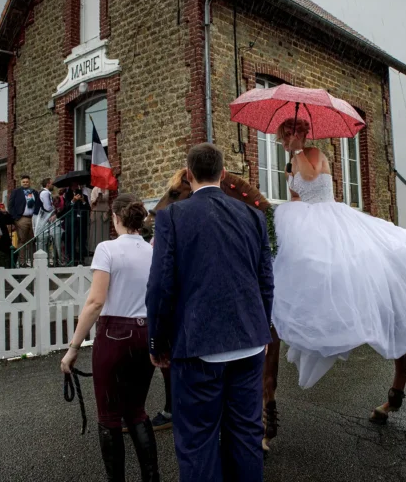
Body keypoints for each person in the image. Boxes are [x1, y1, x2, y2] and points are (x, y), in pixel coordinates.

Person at [272, 118, 406, 389]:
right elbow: (296, 199)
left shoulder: (313, 155)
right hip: (306, 220)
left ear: (304, 133)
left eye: (292, 133)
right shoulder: (289, 164)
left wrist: (298, 149)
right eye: (285, 135)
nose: (287, 139)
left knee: (343, 264)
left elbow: (310, 178)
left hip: (329, 216)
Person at [146, 143, 273, 482]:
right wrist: (262, 331)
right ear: (222, 174)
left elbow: (160, 287)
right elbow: (265, 282)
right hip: (249, 344)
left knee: (198, 441)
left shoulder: (172, 217)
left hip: (197, 345)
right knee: (246, 436)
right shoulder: (254, 216)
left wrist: (157, 342)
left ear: (188, 175)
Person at [60, 194, 160, 482]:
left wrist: (73, 348)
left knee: (108, 415)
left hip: (115, 334)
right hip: (146, 332)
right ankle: (151, 478)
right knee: (137, 411)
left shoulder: (107, 249)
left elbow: (95, 302)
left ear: (116, 218)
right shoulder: (153, 252)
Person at [8, 175, 41, 266]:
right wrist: (15, 218)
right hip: (21, 218)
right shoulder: (16, 192)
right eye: (24, 182)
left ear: (30, 182)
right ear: (21, 183)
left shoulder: (34, 192)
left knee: (32, 240)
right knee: (22, 240)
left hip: (33, 218)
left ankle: (34, 262)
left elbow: (38, 203)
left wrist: (36, 213)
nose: (25, 183)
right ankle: (22, 262)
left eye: (27, 182)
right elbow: (11, 205)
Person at [63, 183, 90, 265]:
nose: (76, 187)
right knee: (72, 239)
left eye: (77, 185)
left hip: (81, 221)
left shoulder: (83, 195)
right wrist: (73, 200)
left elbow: (88, 208)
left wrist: (83, 201)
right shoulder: (67, 195)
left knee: (82, 239)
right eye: (74, 185)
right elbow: (66, 207)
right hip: (72, 221)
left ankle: (81, 259)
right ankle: (72, 258)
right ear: (71, 186)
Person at [34, 178, 57, 256]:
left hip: (42, 218)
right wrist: (54, 209)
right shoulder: (45, 193)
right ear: (48, 184)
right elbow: (47, 207)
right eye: (52, 183)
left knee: (44, 239)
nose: (53, 185)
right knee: (42, 239)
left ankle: (45, 258)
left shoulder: (44, 193)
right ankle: (41, 258)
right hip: (42, 219)